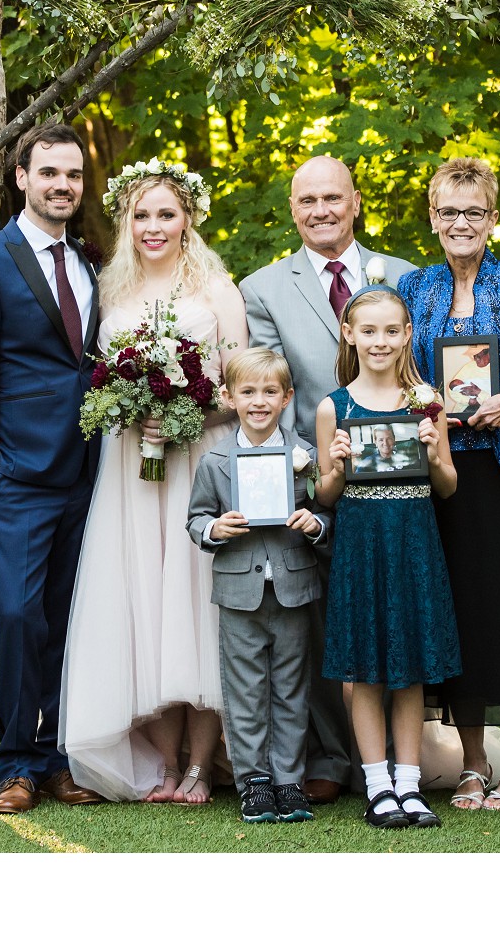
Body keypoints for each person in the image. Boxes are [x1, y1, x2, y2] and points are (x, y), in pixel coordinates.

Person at [60, 158, 246, 805]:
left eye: (166, 212)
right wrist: (134, 413)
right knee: (146, 605)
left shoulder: (218, 290)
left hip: (197, 463)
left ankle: (201, 766)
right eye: (141, 214)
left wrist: (183, 415)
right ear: (126, 221)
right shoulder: (111, 291)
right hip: (132, 470)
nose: (153, 225)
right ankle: (164, 764)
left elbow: (241, 390)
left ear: (188, 216)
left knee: (196, 605)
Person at [239, 157, 415, 803]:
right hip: (316, 476)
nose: (321, 210)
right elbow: (269, 390)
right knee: (317, 621)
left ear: (356, 201)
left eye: (332, 198)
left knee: (398, 609)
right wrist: (311, 467)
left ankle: (402, 756)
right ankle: (334, 756)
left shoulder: (401, 275)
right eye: (307, 199)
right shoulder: (262, 287)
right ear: (292, 208)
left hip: (399, 483)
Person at [0, 122, 106, 816]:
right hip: (15, 470)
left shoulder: (91, 262)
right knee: (15, 614)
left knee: (69, 617)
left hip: (87, 469)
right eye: (49, 173)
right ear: (22, 177)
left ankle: (57, 758)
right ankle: (13, 760)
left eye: (72, 175)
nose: (62, 185)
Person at [397, 157, 500, 812]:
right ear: (433, 219)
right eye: (448, 211)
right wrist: (423, 400)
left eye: (473, 211)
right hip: (442, 474)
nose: (460, 222)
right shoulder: (415, 285)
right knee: (456, 612)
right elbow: (402, 369)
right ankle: (471, 762)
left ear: (493, 218)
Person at [315, 285, 459, 830]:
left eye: (391, 331)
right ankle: (377, 784)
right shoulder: (334, 407)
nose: (380, 342)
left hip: (414, 541)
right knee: (366, 668)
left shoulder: (426, 401)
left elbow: (447, 485)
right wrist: (335, 465)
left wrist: (432, 449)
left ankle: (410, 784)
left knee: (410, 667)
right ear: (349, 335)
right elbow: (327, 495)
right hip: (361, 541)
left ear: (407, 335)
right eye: (368, 331)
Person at [185, 347, 327, 824]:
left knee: (291, 688)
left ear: (287, 397)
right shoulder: (215, 461)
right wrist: (213, 529)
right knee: (245, 691)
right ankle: (255, 782)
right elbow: (196, 518)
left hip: (292, 587)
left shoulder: (303, 454)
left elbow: (326, 511)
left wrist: (315, 523)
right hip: (239, 592)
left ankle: (289, 780)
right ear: (229, 397)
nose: (259, 401)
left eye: (270, 392)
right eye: (248, 392)